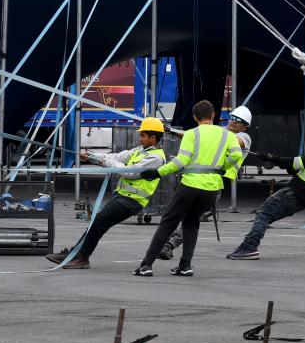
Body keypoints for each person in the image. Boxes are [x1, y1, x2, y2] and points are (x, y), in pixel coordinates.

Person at [132, 100, 243, 277]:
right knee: (191, 223)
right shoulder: (227, 135)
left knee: (168, 222)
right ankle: (185, 265)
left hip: (190, 185)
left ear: (194, 117)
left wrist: (158, 172)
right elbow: (237, 154)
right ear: (213, 115)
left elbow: (180, 162)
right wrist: (221, 164)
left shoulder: (192, 134)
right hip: (211, 188)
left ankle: (146, 265)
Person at [45, 118, 167, 269]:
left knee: (99, 222)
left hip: (133, 201)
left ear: (153, 137)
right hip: (122, 196)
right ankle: (74, 254)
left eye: (143, 135)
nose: (140, 138)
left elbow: (130, 172)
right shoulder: (141, 150)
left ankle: (82, 258)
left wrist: (105, 162)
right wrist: (92, 156)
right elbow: (116, 157)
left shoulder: (155, 158)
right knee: (96, 223)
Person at [227, 134, 305, 260]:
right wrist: (278, 162)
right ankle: (245, 246)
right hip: (301, 203)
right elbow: (296, 169)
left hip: (293, 193)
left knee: (263, 214)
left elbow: (293, 163)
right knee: (266, 217)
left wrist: (271, 158)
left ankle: (249, 248)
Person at [159, 105, 253, 260]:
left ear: (246, 126)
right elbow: (197, 136)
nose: (234, 122)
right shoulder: (221, 132)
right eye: (233, 118)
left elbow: (229, 140)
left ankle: (170, 246)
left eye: (239, 121)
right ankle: (167, 246)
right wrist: (172, 131)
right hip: (200, 177)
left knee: (191, 216)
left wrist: (210, 134)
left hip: (217, 181)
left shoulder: (244, 138)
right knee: (181, 214)